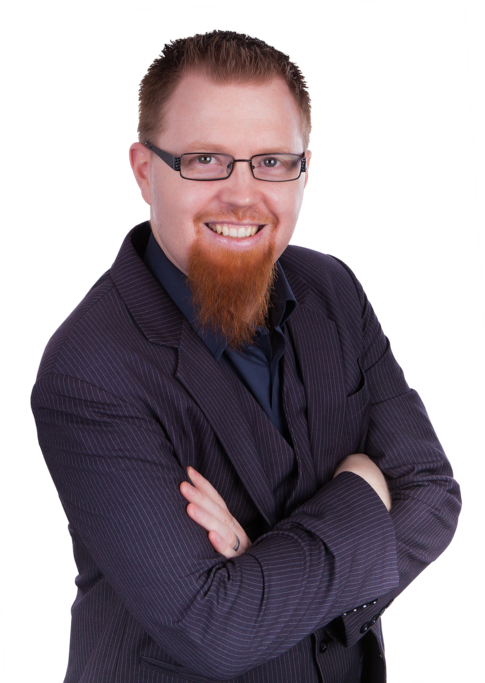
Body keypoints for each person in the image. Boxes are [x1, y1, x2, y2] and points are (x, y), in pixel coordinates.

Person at [30, 29, 462, 683]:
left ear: (302, 170)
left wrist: (258, 563)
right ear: (143, 170)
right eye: (205, 159)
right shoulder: (88, 370)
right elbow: (217, 630)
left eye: (271, 161)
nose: (241, 193)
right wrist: (362, 491)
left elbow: (431, 492)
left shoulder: (332, 290)